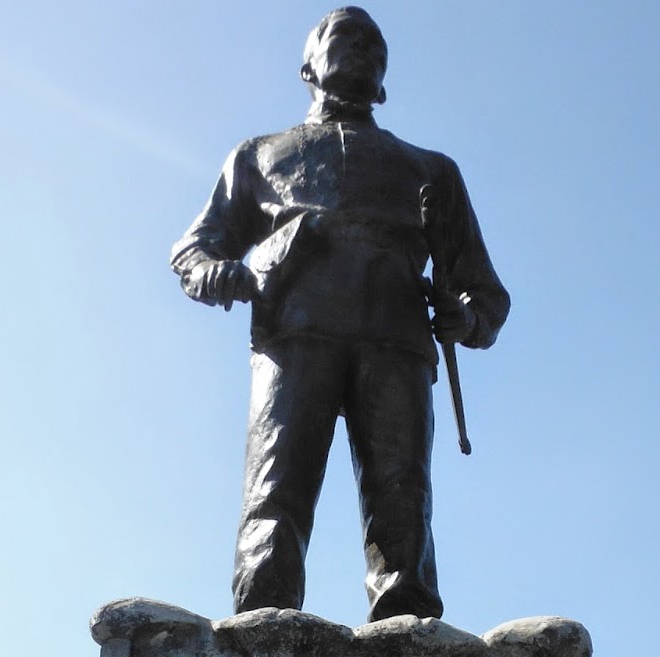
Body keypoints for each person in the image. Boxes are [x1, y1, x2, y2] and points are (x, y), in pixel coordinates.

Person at [172, 7, 509, 622]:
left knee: (402, 503)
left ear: (384, 82)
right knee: (275, 496)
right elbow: (195, 246)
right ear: (308, 66)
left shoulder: (430, 171)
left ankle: (406, 638)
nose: (360, 45)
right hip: (293, 336)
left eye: (373, 43)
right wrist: (214, 272)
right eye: (342, 36)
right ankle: (262, 632)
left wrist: (466, 317)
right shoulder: (260, 155)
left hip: (397, 344)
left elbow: (484, 293)